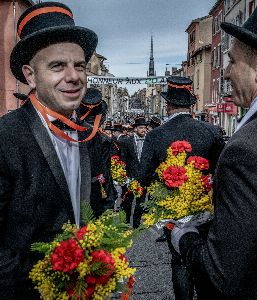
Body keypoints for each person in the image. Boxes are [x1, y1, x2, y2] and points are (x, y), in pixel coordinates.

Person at [170, 1, 257, 299]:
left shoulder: (250, 149)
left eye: (232, 62)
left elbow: (220, 276)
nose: (226, 73)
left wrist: (184, 239)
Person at [0, 2, 114, 298]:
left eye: (79, 65)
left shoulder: (93, 136)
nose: (74, 76)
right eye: (57, 66)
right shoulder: (6, 137)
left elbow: (98, 207)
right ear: (30, 75)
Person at [139, 76, 225, 300]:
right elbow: (221, 173)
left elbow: (143, 177)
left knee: (179, 260)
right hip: (207, 208)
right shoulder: (212, 131)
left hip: (172, 210)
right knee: (206, 257)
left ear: (168, 105)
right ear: (191, 104)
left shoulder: (155, 135)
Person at [120, 116, 147, 228]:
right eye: (141, 128)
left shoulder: (149, 141)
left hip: (143, 178)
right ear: (135, 129)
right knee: (128, 203)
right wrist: (124, 177)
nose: (144, 130)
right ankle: (126, 224)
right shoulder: (127, 142)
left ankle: (136, 224)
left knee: (140, 204)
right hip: (130, 177)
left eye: (145, 128)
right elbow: (123, 160)